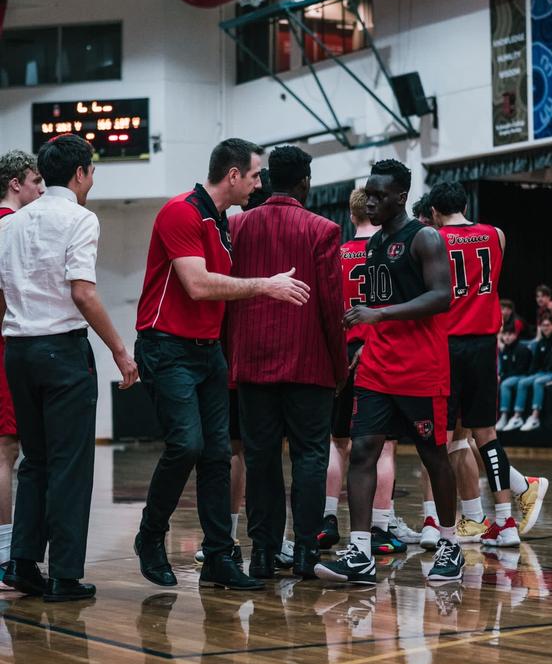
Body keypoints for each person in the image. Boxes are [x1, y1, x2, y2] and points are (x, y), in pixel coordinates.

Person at [134, 138, 309, 592]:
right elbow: (196, 285)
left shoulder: (225, 222)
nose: (259, 183)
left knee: (218, 454)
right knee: (187, 445)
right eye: (254, 175)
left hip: (208, 351)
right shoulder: (180, 212)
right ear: (233, 176)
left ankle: (218, 557)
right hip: (166, 347)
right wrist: (264, 287)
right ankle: (150, 535)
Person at [0, 134, 138, 601]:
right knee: (71, 465)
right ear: (80, 173)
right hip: (62, 351)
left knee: (33, 461)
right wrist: (120, 350)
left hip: (17, 352)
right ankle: (63, 573)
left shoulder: (10, 224)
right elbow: (82, 292)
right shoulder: (80, 218)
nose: (93, 180)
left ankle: (21, 564)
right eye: (93, 171)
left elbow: (2, 299)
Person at [315, 159, 463, 585]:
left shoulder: (426, 238)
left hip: (421, 367)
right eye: (368, 193)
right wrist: (362, 346)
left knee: (433, 454)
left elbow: (440, 297)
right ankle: (360, 551)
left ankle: (450, 544)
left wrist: (378, 316)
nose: (371, 200)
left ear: (401, 196)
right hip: (378, 367)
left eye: (380, 194)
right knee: (361, 450)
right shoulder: (376, 243)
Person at [228, 145, 347, 580]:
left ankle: (261, 553)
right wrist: (340, 367)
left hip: (252, 363)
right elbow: (333, 307)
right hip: (309, 363)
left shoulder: (238, 225)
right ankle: (305, 555)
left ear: (267, 179)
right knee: (311, 458)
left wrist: (231, 359)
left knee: (259, 458)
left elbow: (227, 296)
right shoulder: (323, 229)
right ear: (304, 183)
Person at [429, 181, 549, 547]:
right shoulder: (496, 235)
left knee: (445, 439)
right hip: (484, 345)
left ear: (435, 212)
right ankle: (505, 522)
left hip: (447, 345)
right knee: (486, 434)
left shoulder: (432, 241)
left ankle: (449, 524)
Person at [320, 187, 409, 556]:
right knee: (383, 446)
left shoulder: (337, 254)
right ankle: (379, 525)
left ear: (350, 215)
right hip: (379, 350)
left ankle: (327, 520)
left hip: (342, 351)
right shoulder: (392, 251)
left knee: (337, 442)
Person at [0, 150, 44, 565]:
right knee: (6, 451)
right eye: (36, 182)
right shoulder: (11, 227)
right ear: (16, 183)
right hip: (6, 346)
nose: (42, 190)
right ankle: (4, 554)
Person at [502, 311, 552, 431]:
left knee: (538, 382)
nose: (545, 328)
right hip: (541, 373)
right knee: (522, 383)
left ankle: (535, 417)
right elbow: (535, 364)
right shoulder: (541, 342)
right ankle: (517, 417)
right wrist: (527, 376)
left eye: (548, 325)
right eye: (543, 325)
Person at [496, 325, 533, 430]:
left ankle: (508, 416)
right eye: (505, 334)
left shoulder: (522, 349)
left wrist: (503, 377)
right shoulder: (504, 350)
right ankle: (497, 417)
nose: (507, 337)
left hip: (523, 376)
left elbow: (521, 369)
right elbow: (503, 368)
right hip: (509, 376)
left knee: (505, 384)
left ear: (515, 335)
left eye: (509, 335)